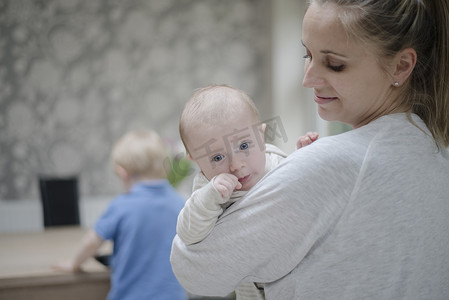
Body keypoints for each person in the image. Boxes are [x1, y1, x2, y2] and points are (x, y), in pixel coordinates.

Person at [171, 1, 449, 299]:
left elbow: (195, 272)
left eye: (334, 64)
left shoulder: (334, 165)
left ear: (401, 65)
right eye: (308, 54)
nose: (307, 79)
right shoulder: (436, 151)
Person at [175, 84, 318, 300]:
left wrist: (304, 158)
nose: (236, 165)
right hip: (254, 290)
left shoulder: (276, 161)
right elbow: (188, 233)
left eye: (244, 146)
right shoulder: (207, 188)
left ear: (261, 135)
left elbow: (299, 189)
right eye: (217, 158)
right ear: (196, 162)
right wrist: (210, 198)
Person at [53, 130, 187, 300]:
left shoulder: (121, 206)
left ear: (122, 173)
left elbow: (91, 242)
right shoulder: (180, 204)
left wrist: (74, 264)